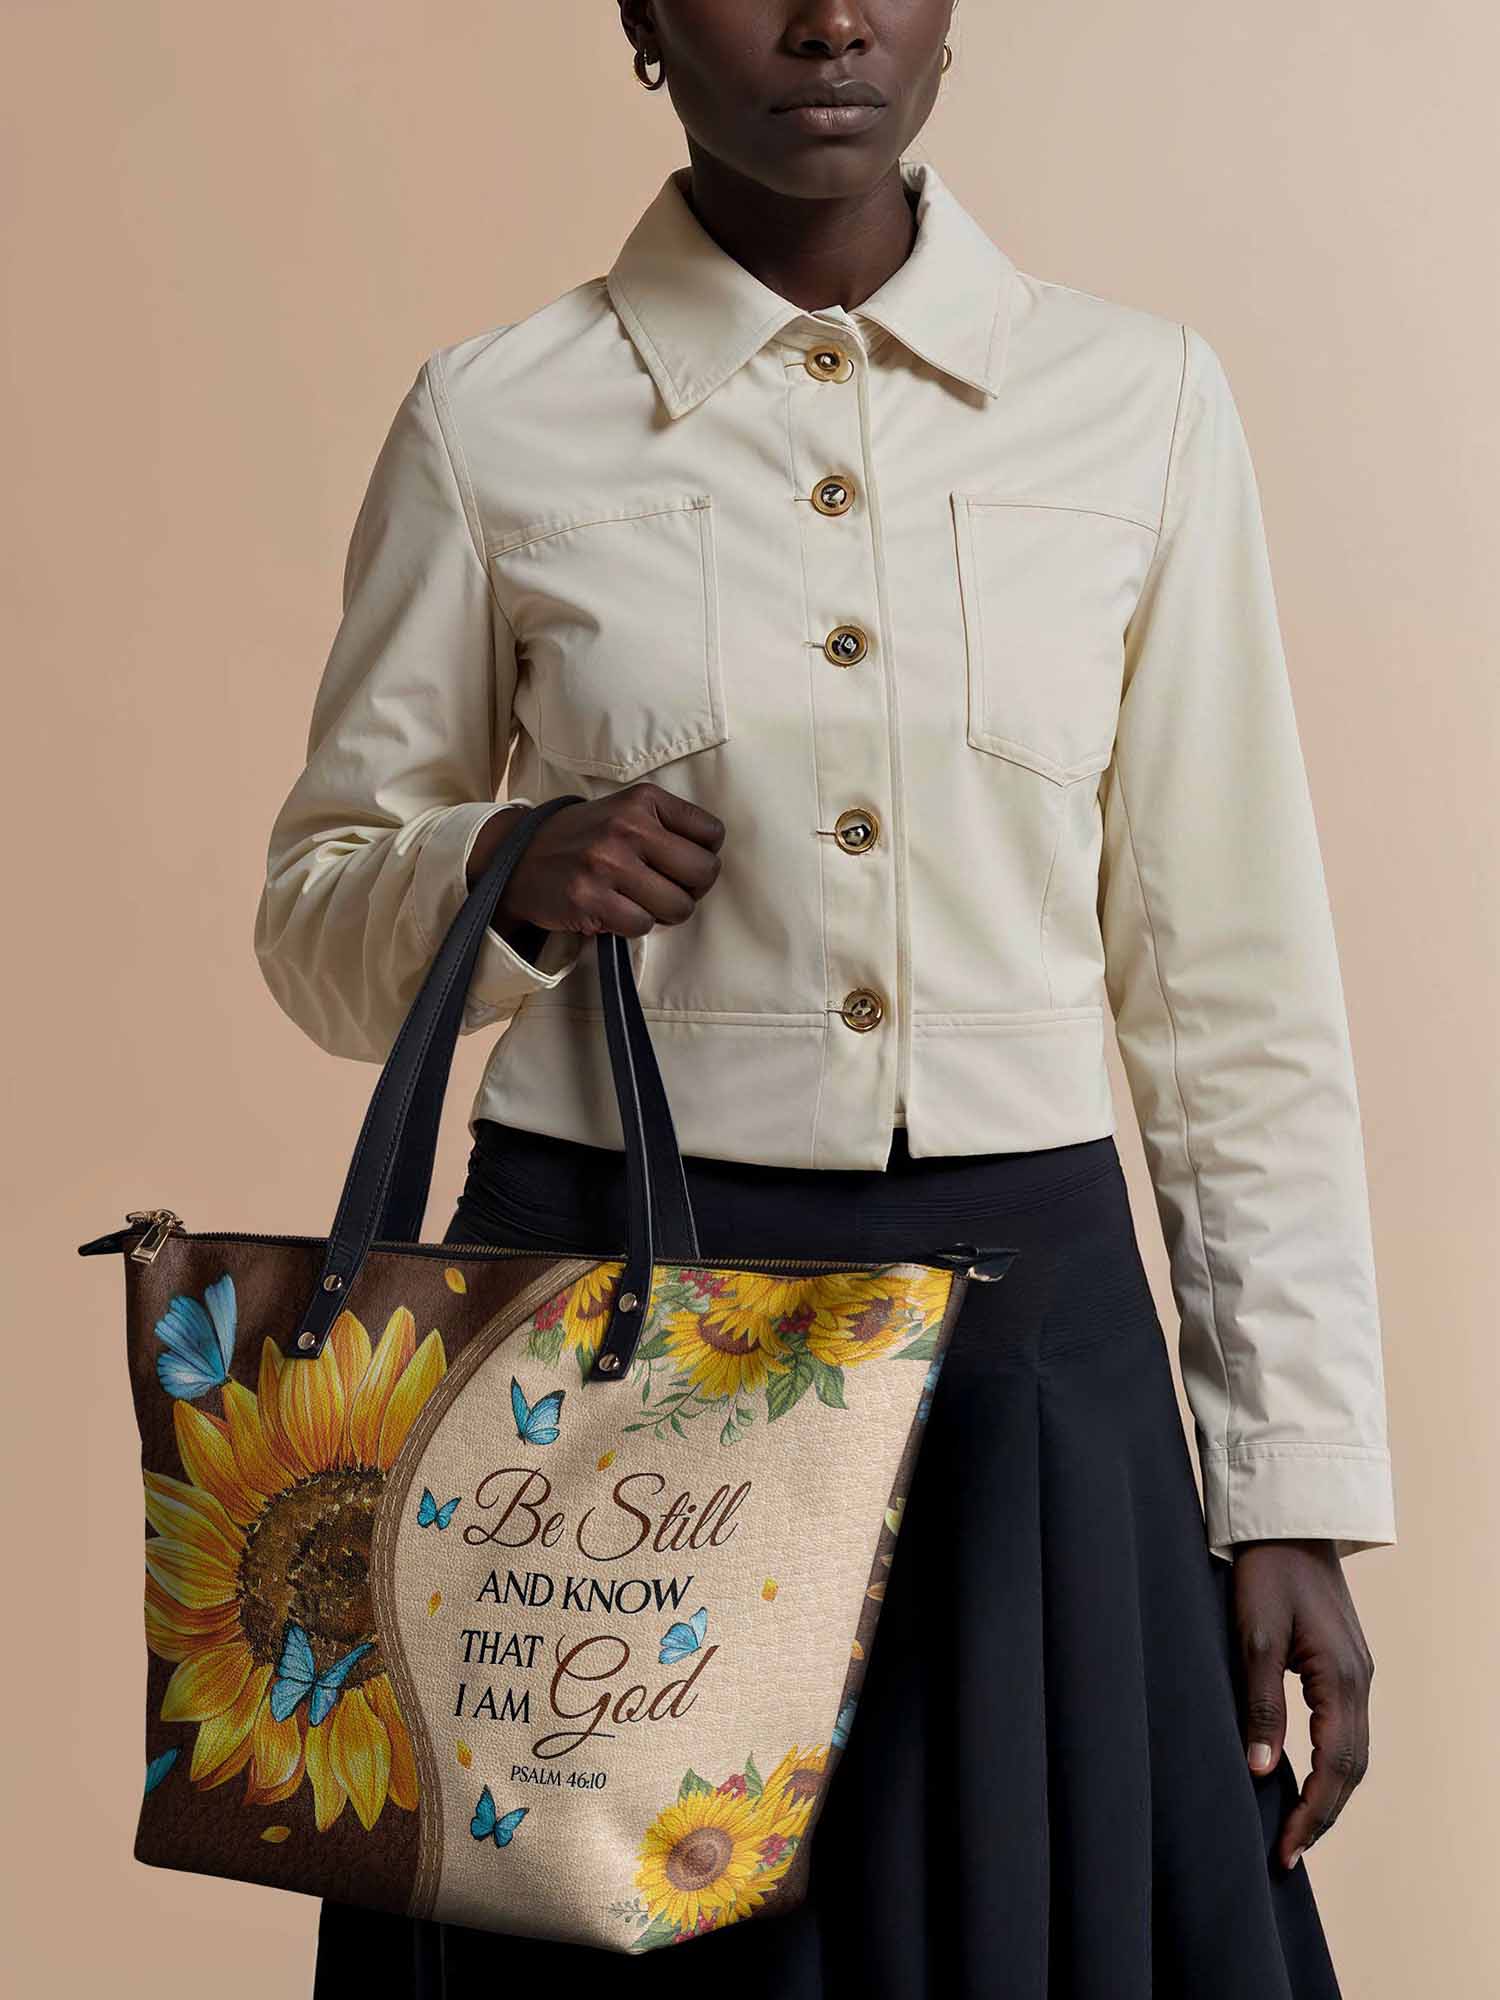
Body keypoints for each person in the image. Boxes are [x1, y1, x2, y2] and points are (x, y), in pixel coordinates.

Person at [252, 5, 1395, 1994]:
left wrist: (1288, 1491)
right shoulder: (492, 418)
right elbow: (318, 923)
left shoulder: (1140, 403)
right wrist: (502, 868)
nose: (830, 16)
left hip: (1028, 1380)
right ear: (639, 20)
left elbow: (1236, 996)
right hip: (599, 1360)